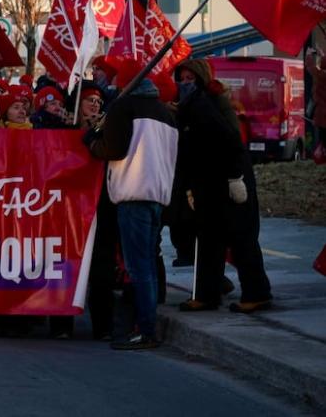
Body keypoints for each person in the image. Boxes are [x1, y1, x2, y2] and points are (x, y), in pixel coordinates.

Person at [84, 59, 179, 350]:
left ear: (124, 83)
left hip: (133, 193)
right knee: (147, 263)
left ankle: (145, 329)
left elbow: (113, 148)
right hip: (157, 195)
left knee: (139, 268)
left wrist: (91, 141)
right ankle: (145, 325)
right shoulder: (166, 113)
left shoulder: (123, 108)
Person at [172, 58, 272, 314]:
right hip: (208, 184)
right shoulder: (191, 105)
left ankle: (257, 293)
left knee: (241, 239)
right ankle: (207, 293)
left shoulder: (208, 104)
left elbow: (230, 140)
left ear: (201, 79)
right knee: (208, 241)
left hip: (228, 182)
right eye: (181, 80)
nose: (185, 84)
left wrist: (235, 178)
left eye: (189, 79)